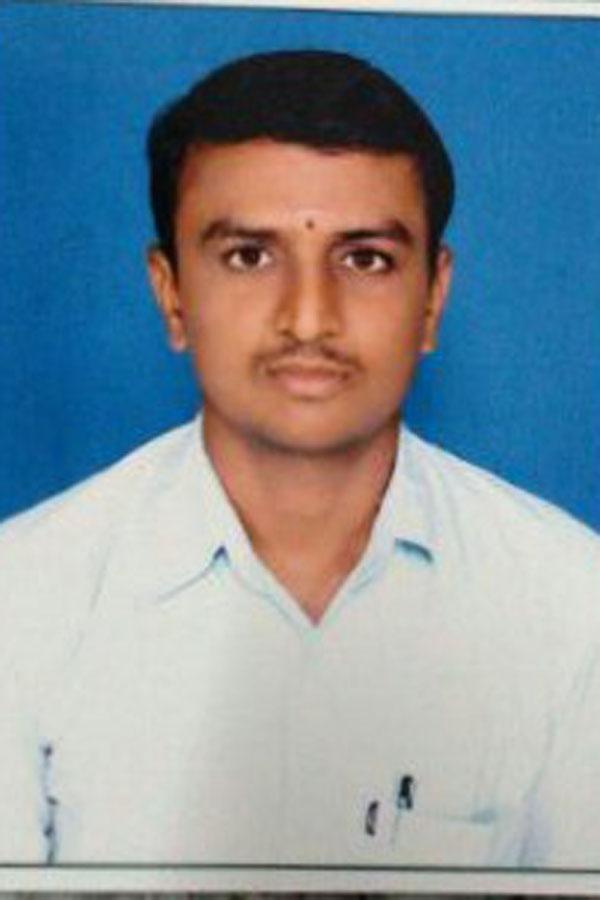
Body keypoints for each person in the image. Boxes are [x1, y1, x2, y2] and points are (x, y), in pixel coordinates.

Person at [1, 49, 599, 868]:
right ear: (171, 293)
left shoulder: (572, 602)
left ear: (433, 297)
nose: (310, 318)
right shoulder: (23, 600)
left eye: (365, 259)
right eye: (249, 256)